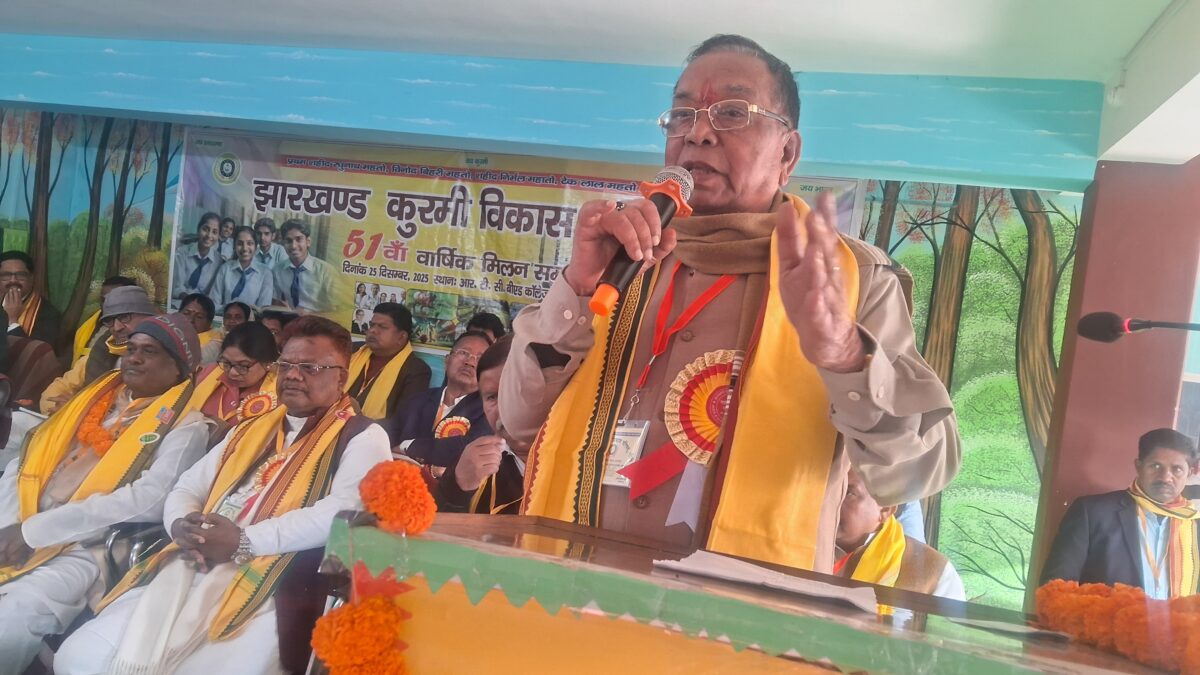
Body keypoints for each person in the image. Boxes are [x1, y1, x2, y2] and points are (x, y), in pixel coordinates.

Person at [500, 35, 958, 573]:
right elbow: (520, 425)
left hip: (741, 610)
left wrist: (843, 354)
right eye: (682, 115)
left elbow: (917, 474)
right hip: (573, 585)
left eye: (733, 112)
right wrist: (577, 289)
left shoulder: (849, 278)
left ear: (787, 153)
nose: (697, 132)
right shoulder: (623, 257)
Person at [57, 317, 393, 674]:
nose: (294, 376)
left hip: (273, 580)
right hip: (195, 562)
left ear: (341, 378)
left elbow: (340, 512)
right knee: (78, 657)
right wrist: (182, 526)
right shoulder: (251, 427)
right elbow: (188, 486)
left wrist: (243, 541)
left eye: (311, 368)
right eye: (287, 366)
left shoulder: (362, 436)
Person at [0, 314, 211, 673]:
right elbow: (28, 460)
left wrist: (35, 531)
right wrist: (12, 520)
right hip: (20, 516)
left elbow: (148, 499)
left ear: (179, 367)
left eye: (150, 352)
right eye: (131, 349)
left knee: (13, 616)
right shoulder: (93, 399)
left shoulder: (186, 427)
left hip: (87, 547)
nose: (134, 358)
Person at [1042, 428, 1200, 598]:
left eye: (1177, 469)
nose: (1165, 477)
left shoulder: (1194, 526)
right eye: (1155, 466)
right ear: (1138, 466)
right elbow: (1055, 589)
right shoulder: (1092, 513)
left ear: (1189, 473)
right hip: (1104, 616)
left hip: (1180, 616)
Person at [835, 467, 964, 600]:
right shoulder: (821, 544)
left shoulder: (936, 578)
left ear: (885, 509)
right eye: (829, 489)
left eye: (848, 493)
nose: (831, 502)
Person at [435, 336, 528, 515]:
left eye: (517, 392)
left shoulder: (581, 469)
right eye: (492, 397)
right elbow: (435, 524)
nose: (504, 408)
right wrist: (459, 487)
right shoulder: (473, 461)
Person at [40, 287, 158, 415]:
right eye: (109, 321)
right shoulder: (100, 353)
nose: (117, 327)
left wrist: (78, 408)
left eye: (125, 317)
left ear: (148, 316)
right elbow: (52, 393)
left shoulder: (162, 359)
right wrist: (65, 411)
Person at [386, 330, 492, 468]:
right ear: (447, 361)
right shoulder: (417, 401)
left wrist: (409, 446)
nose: (470, 362)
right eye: (463, 353)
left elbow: (469, 449)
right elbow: (388, 434)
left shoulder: (489, 411)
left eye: (480, 359)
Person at [345, 302, 431, 421]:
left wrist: (358, 419)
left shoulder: (416, 370)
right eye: (372, 325)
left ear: (401, 337)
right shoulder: (352, 350)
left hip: (373, 431)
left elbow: (403, 421)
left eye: (382, 327)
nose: (373, 330)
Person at [189, 322, 278, 429]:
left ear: (267, 362)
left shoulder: (279, 395)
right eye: (226, 363)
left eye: (243, 365)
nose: (232, 372)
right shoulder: (209, 373)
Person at [1, 251, 62, 350]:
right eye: (6, 275)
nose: (13, 280)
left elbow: (37, 354)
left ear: (31, 278)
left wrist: (12, 321)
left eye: (20, 275)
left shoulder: (49, 315)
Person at [272, 220, 336, 313]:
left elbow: (335, 310)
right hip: (289, 318)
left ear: (308, 242)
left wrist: (310, 315)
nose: (293, 246)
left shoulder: (326, 271)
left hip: (317, 319)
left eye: (299, 239)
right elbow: (275, 300)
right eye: (288, 241)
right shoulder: (277, 270)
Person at [72, 276, 138, 363]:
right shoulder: (87, 327)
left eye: (113, 299)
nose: (107, 304)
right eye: (103, 300)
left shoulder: (138, 329)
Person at [210, 226, 275, 309]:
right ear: (234, 246)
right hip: (225, 315)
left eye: (249, 243)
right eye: (240, 243)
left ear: (256, 246)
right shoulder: (225, 268)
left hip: (253, 317)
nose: (245, 248)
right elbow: (214, 302)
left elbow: (263, 308)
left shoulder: (265, 272)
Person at [171, 213, 223, 306]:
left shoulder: (219, 262)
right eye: (205, 229)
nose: (209, 235)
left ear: (218, 236)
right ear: (198, 229)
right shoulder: (182, 253)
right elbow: (177, 287)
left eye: (214, 232)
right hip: (180, 303)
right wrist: (190, 301)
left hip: (203, 307)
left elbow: (214, 294)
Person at [179, 293, 222, 364]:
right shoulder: (169, 331)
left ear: (209, 322)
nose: (191, 320)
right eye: (186, 313)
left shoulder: (215, 342)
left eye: (199, 317)